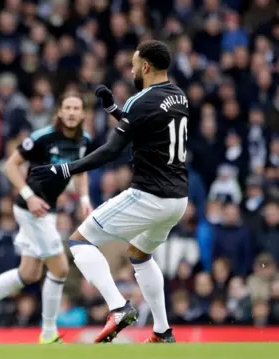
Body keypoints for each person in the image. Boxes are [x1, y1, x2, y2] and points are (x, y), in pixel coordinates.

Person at [29, 40, 189, 344]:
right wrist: (114, 109)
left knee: (79, 241)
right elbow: (148, 126)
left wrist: (64, 169)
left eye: (133, 63)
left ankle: (118, 308)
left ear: (145, 67)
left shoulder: (140, 100)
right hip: (178, 199)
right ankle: (162, 331)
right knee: (140, 254)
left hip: (149, 195)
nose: (130, 69)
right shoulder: (178, 96)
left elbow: (109, 152)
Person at [0, 92, 93, 344]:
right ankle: (49, 333)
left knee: (28, 274)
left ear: (82, 114)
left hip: (46, 210)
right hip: (29, 209)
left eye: (76, 108)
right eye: (67, 107)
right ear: (59, 112)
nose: (72, 112)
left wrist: (83, 199)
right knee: (60, 268)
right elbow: (10, 165)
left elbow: (80, 172)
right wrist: (28, 195)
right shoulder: (41, 138)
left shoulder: (84, 140)